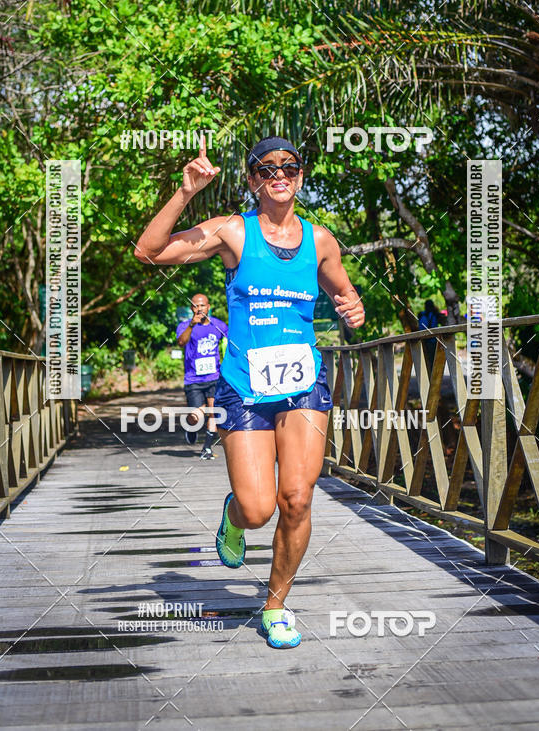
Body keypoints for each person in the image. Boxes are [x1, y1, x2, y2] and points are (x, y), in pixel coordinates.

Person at [134, 134, 365, 649]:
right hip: (243, 385)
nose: (278, 175)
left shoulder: (320, 239)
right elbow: (148, 253)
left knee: (298, 498)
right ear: (252, 181)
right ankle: (233, 517)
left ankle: (275, 605)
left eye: (289, 166)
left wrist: (354, 306)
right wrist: (186, 191)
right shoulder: (234, 233)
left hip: (303, 384)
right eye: (265, 169)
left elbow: (344, 290)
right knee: (259, 508)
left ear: (301, 175)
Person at [175, 293, 228, 459]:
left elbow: (230, 344)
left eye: (202, 305)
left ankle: (207, 448)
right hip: (193, 379)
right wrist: (191, 325)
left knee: (213, 412)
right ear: (192, 308)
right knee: (196, 417)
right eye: (196, 306)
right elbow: (181, 342)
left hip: (214, 376)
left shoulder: (219, 325)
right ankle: (189, 426)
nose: (199, 309)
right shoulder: (185, 326)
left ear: (208, 306)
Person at [418, 298, 442, 369]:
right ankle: (432, 375)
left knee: (427, 360)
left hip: (423, 340)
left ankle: (429, 375)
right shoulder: (434, 314)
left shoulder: (421, 314)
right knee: (433, 359)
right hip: (433, 340)